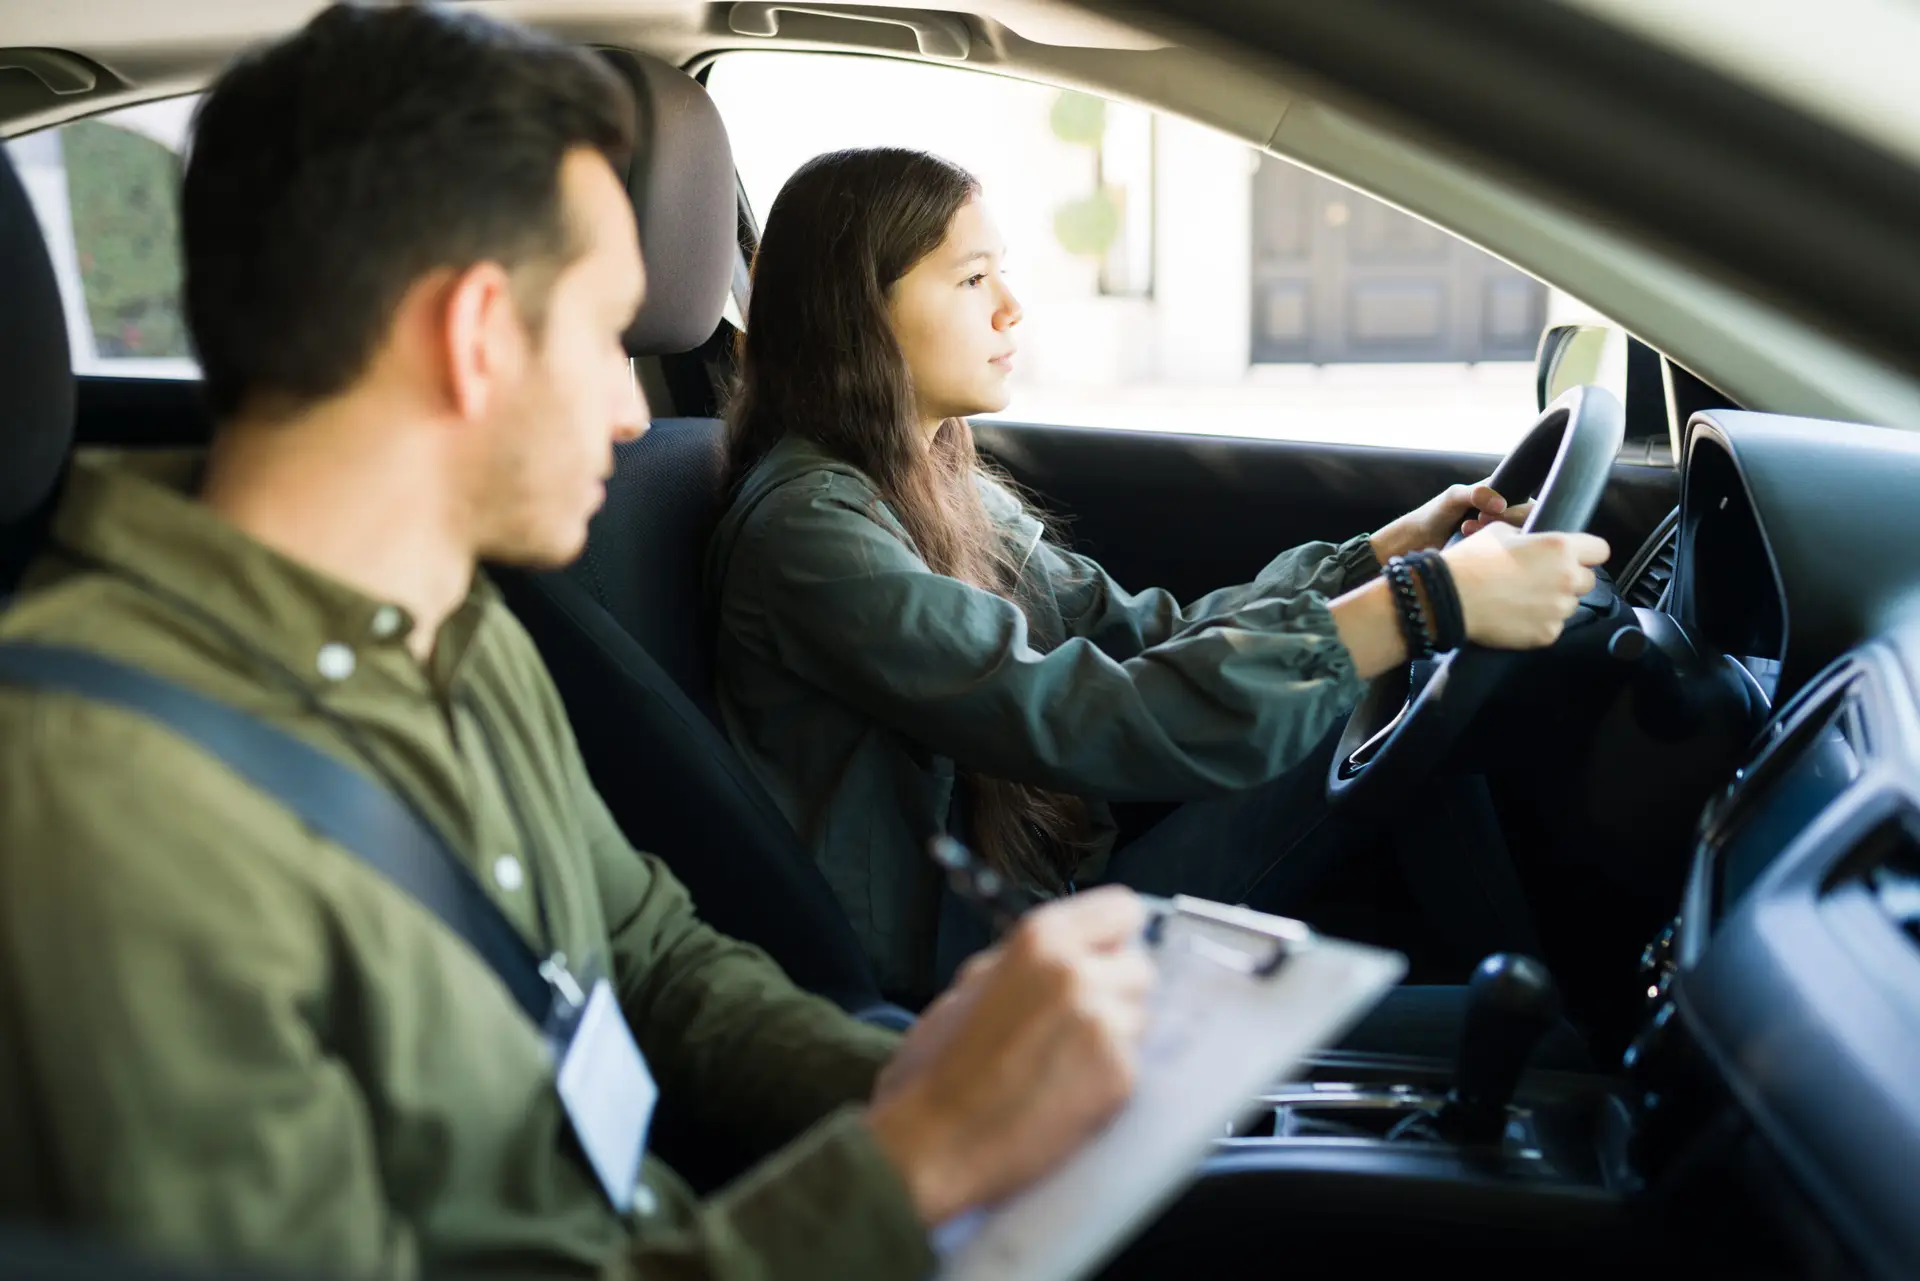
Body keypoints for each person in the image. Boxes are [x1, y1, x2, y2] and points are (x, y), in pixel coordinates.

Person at [0, 8, 1159, 1280]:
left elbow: (650, 954)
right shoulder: (98, 798)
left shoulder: (456, 624)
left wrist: (909, 1078)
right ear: (476, 335)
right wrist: (910, 1167)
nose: (629, 411)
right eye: (605, 338)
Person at [708, 147, 1610, 1005]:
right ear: (857, 311)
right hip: (978, 973)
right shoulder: (813, 531)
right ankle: (1563, 1048)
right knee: (1393, 694)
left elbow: (1144, 632)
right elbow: (1075, 713)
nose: (1012, 306)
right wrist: (1420, 606)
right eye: (973, 277)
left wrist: (1378, 558)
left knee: (1394, 695)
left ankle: (1552, 1029)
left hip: (1044, 903)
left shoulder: (937, 481)